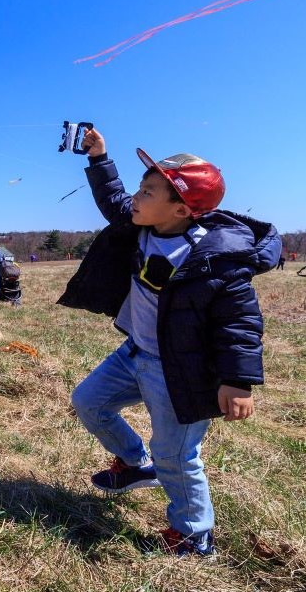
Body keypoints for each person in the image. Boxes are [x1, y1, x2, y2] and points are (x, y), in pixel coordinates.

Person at [60, 127, 280, 557]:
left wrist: (238, 380)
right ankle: (134, 464)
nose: (136, 199)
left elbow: (240, 323)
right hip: (135, 352)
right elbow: (114, 201)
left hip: (180, 370)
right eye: (141, 189)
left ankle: (194, 534)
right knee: (89, 401)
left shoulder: (216, 259)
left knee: (176, 455)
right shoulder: (142, 224)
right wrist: (100, 157)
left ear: (179, 209)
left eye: (148, 192)